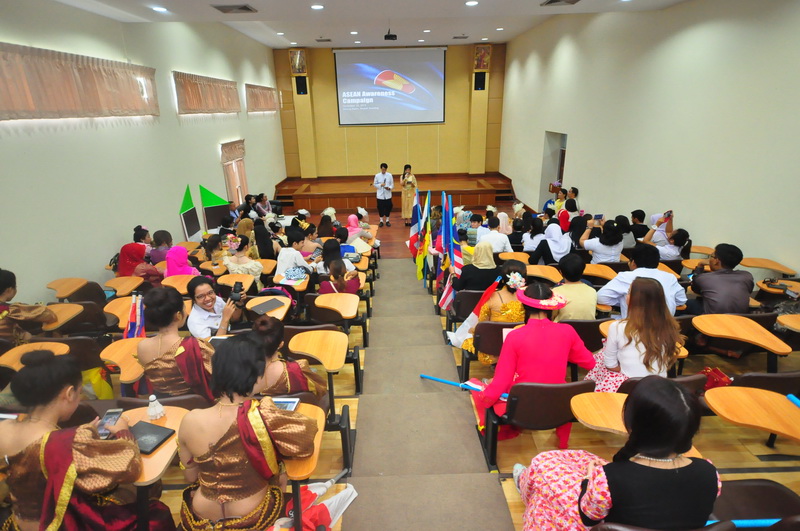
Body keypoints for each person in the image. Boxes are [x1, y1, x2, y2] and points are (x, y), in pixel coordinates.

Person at [0, 350, 175, 530]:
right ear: (69, 393)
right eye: (79, 393)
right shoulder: (67, 441)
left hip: (19, 523)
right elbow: (129, 469)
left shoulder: (4, 428)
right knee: (155, 513)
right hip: (61, 524)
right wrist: (123, 432)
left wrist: (84, 436)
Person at [515, 375, 719, 530]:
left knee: (543, 463)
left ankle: (525, 481)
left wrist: (588, 480)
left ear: (634, 423)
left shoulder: (610, 478)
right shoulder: (710, 473)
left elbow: (588, 517)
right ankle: (526, 479)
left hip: (603, 508)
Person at [177, 334, 318, 530]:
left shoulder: (189, 419)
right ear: (255, 375)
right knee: (281, 476)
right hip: (252, 514)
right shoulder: (263, 415)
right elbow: (305, 440)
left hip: (202, 516)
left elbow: (190, 477)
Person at [472, 283, 595, 447]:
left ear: (524, 306)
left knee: (481, 388)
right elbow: (589, 362)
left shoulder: (515, 336)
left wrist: (485, 396)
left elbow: (502, 380)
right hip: (559, 404)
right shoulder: (568, 331)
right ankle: (562, 443)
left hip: (523, 406)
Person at [589, 278, 684, 392]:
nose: (626, 295)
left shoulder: (617, 327)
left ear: (636, 300)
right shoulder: (670, 326)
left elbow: (610, 364)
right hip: (659, 388)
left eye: (629, 292)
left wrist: (624, 371)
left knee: (601, 358)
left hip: (628, 387)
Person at [139, 286, 215, 401]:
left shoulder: (142, 346)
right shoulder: (197, 346)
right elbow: (215, 376)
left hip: (161, 404)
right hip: (196, 404)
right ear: (178, 315)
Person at [461, 260, 527, 366]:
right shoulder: (530, 299)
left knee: (467, 337)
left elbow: (482, 325)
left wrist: (471, 330)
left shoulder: (492, 298)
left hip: (493, 349)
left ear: (503, 277)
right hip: (522, 348)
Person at [597, 243, 687, 317]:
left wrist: (622, 300)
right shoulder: (670, 277)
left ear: (633, 262)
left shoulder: (626, 276)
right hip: (665, 328)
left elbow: (600, 298)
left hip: (633, 328)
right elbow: (681, 300)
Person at [251, 316, 327, 403]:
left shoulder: (241, 371)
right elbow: (320, 392)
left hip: (254, 411)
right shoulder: (297, 370)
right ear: (281, 344)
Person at [688, 243, 754, 315]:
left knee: (685, 304)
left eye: (711, 256)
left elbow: (694, 287)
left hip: (712, 318)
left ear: (716, 261)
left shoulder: (704, 278)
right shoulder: (747, 276)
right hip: (740, 318)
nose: (709, 259)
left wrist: (699, 266)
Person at [0, 268, 56, 345]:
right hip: (13, 350)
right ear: (9, 290)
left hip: (4, 349)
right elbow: (50, 316)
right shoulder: (11, 310)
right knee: (55, 334)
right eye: (15, 287)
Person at [552, 253, 598, 322]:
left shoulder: (556, 292)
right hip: (589, 328)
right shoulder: (592, 291)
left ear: (561, 272)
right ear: (583, 271)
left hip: (563, 328)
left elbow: (553, 316)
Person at [373, 162, 394, 227]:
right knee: (380, 208)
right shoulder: (377, 175)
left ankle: (387, 220)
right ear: (381, 169)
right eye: (382, 169)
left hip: (388, 195)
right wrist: (380, 185)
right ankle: (381, 220)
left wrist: (389, 188)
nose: (383, 170)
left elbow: (392, 184)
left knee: (389, 207)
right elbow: (374, 184)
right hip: (380, 195)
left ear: (386, 169)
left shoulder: (389, 175)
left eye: (384, 169)